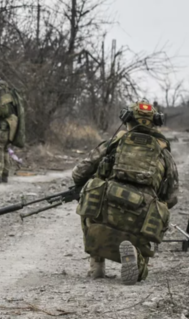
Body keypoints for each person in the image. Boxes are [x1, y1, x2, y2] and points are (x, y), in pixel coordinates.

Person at [71, 100, 178, 285]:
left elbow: (79, 172)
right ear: (155, 123)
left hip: (108, 206)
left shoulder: (114, 142)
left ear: (127, 119)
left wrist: (88, 182)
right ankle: (137, 257)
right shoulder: (163, 151)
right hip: (143, 217)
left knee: (91, 192)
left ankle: (97, 264)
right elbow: (172, 197)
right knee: (157, 214)